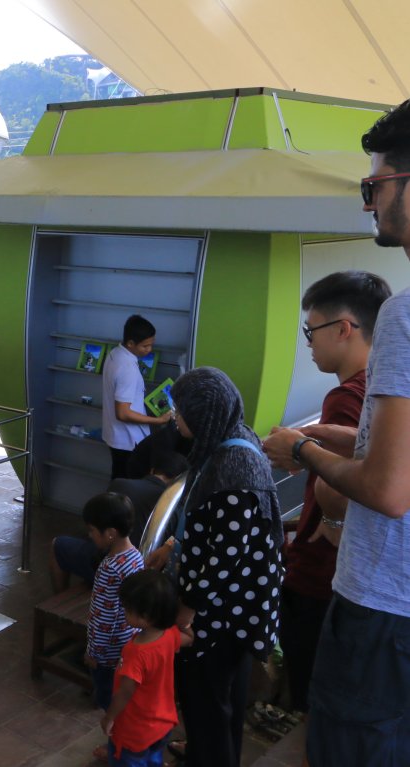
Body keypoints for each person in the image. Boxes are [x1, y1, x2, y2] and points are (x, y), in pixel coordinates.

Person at [261, 103, 410, 766]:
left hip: (382, 602)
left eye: (374, 186)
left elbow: (387, 487)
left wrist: (302, 451)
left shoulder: (406, 315)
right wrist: (334, 435)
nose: (369, 204)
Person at [279, 271, 387, 713]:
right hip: (353, 574)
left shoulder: (344, 397)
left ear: (343, 329)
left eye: (312, 330)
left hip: (321, 573)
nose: (309, 342)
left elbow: (339, 486)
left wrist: (300, 450)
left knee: (310, 693)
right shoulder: (380, 389)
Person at [171, 366, 282, 767]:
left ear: (203, 414)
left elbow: (224, 561)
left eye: (179, 410)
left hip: (223, 612)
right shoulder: (229, 441)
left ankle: (211, 754)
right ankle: (208, 750)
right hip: (233, 609)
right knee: (224, 697)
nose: (174, 417)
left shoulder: (234, 474)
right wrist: (172, 546)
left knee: (206, 700)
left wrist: (187, 608)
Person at [51, 451, 188, 593]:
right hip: (146, 574)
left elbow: (99, 526)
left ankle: (57, 598)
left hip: (108, 563)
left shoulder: (120, 484)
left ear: (152, 470)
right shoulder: (177, 508)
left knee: (58, 545)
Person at [100, 570, 193, 767]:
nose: (124, 612)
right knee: (153, 759)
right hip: (162, 724)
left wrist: (110, 717)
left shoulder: (136, 653)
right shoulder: (169, 635)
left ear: (145, 617)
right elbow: (191, 638)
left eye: (127, 609)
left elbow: (125, 692)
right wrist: (183, 621)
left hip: (134, 730)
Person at [82, 493, 145, 736]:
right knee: (123, 699)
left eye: (91, 530)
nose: (89, 535)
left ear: (109, 533)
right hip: (126, 645)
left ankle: (119, 744)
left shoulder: (110, 567)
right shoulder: (135, 555)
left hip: (107, 654)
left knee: (109, 701)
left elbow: (105, 617)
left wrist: (93, 652)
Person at [102, 315, 172, 479]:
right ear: (130, 343)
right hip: (128, 440)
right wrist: (159, 420)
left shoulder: (115, 353)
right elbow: (123, 413)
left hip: (116, 436)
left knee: (119, 480)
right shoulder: (127, 369)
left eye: (151, 344)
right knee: (127, 487)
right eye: (145, 346)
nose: (149, 350)